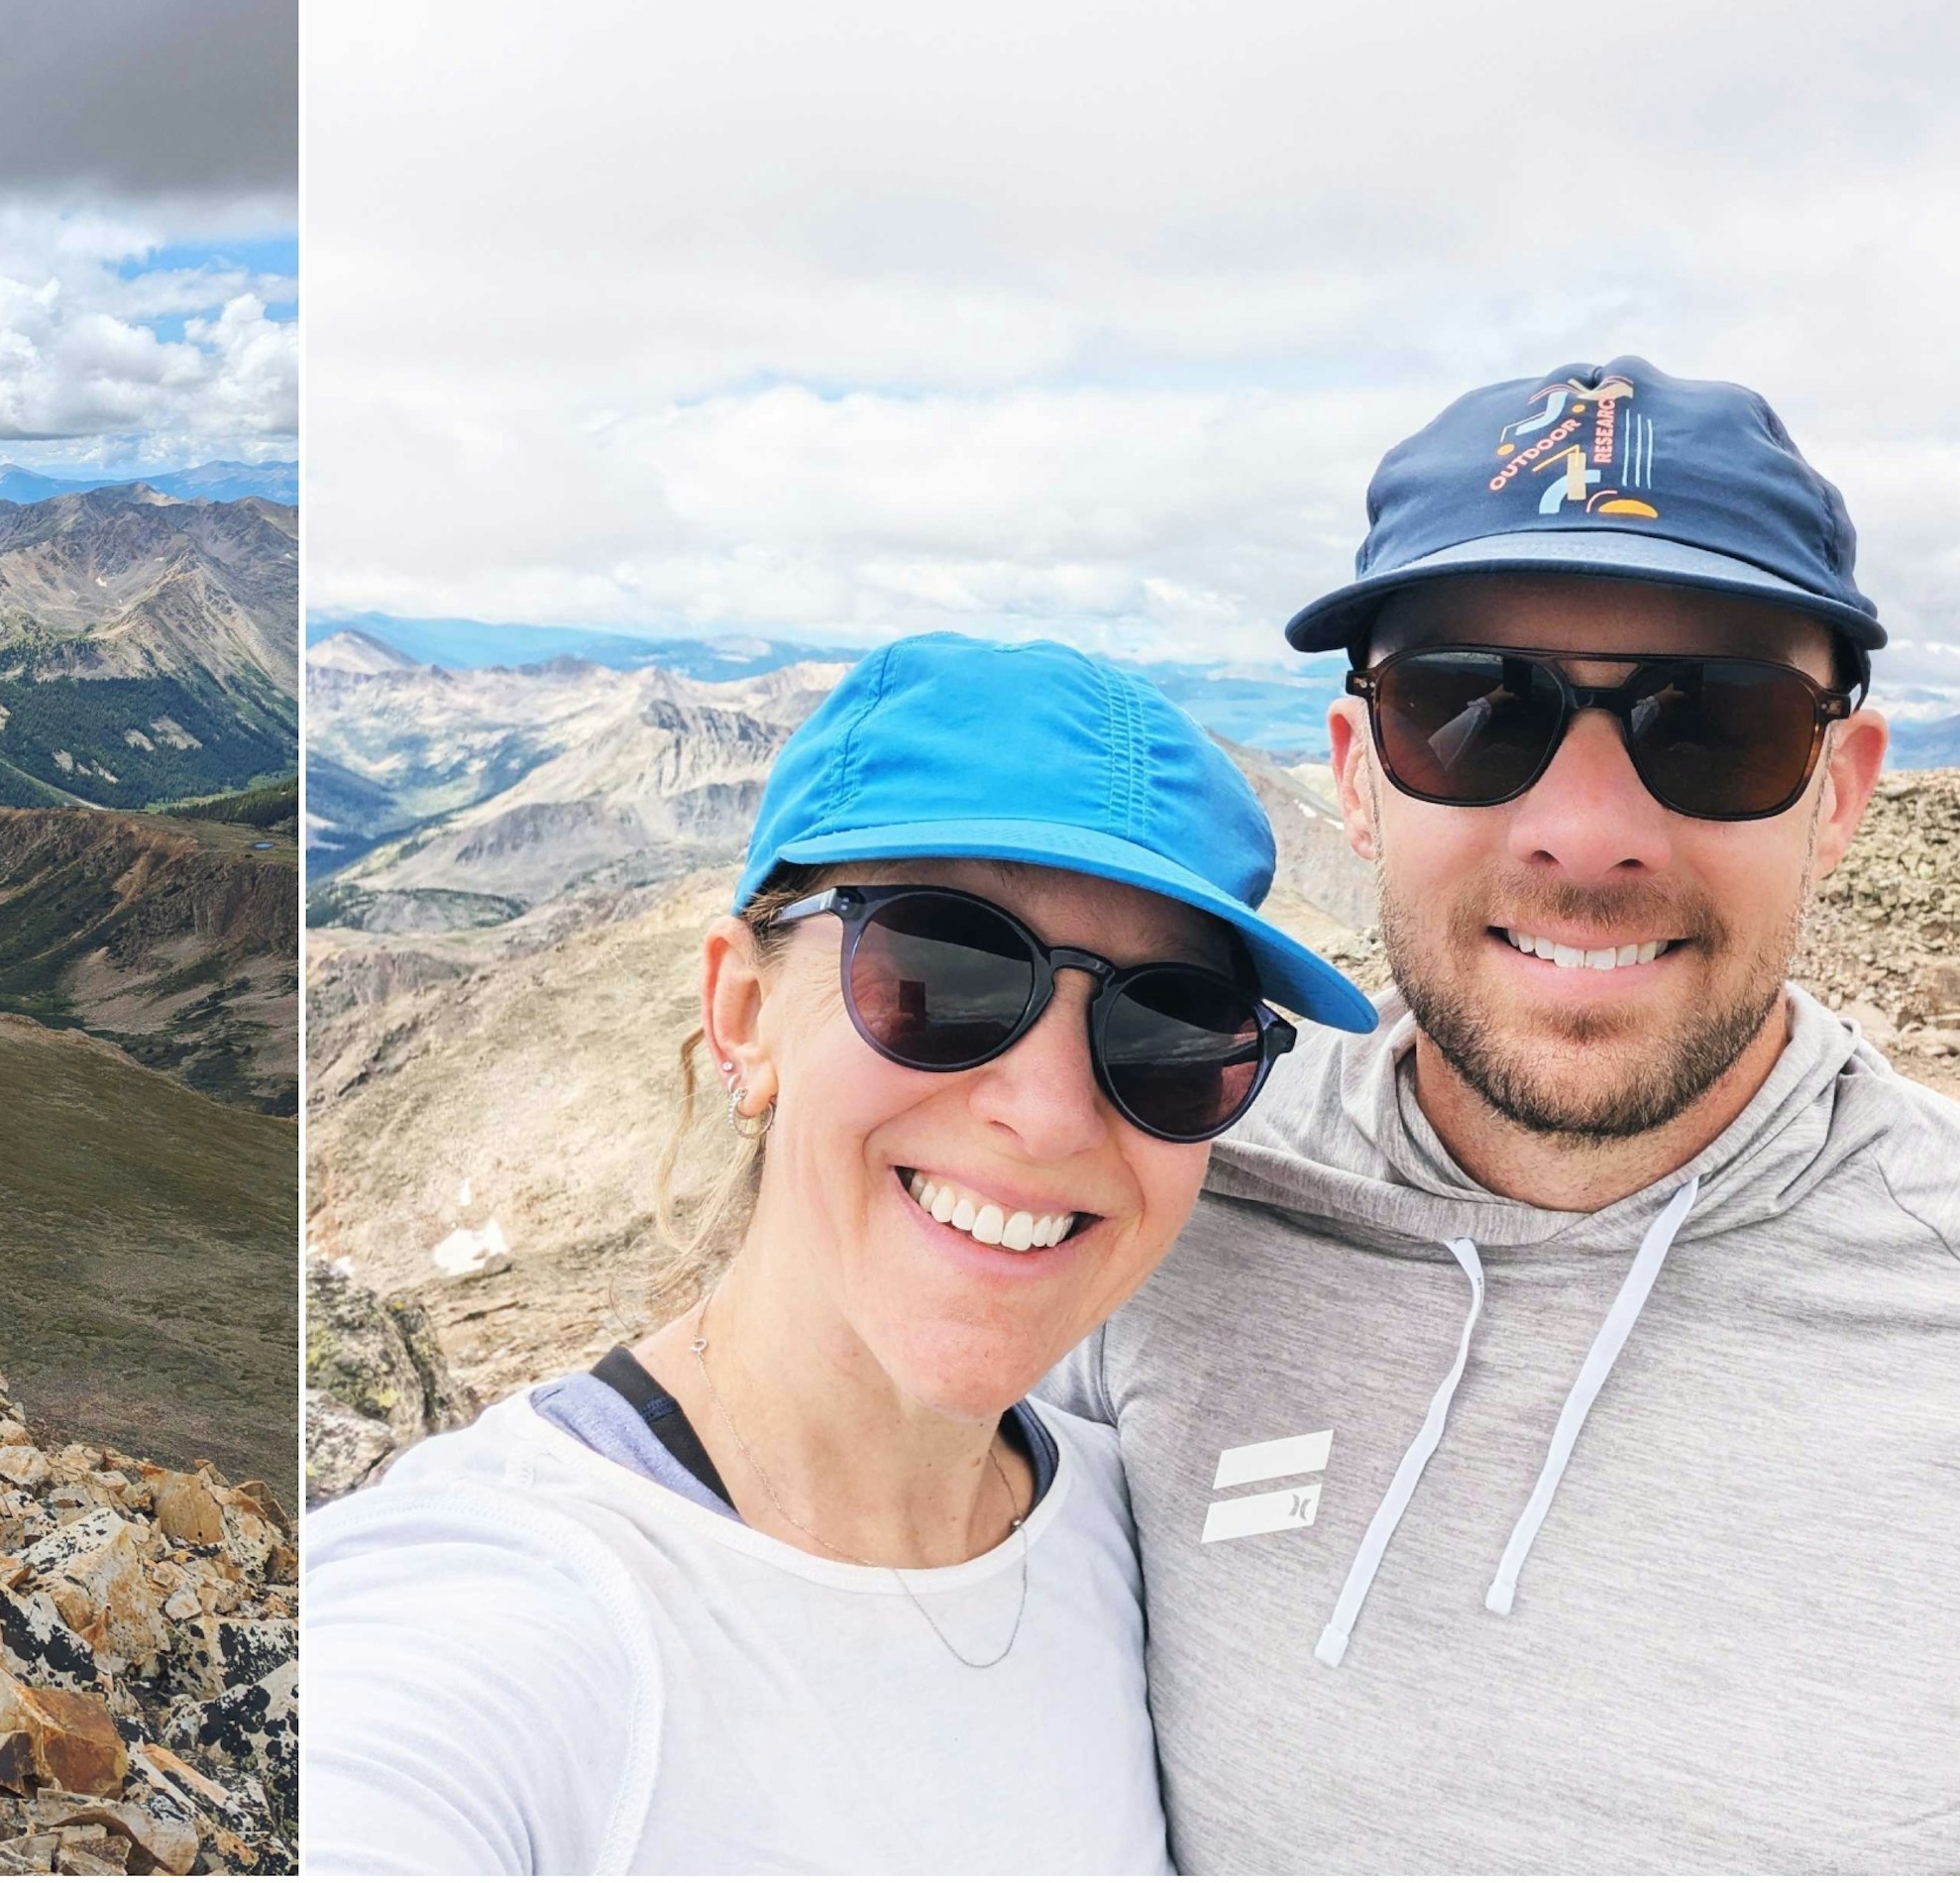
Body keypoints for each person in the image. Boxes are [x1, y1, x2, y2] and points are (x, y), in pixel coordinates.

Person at [1039, 357, 1960, 1871]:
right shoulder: (1146, 1211)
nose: (1587, 837)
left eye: (1715, 724)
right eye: (1469, 711)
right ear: (1358, 778)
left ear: (1841, 793)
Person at [302, 635, 1376, 1873]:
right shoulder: (500, 1609)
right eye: (945, 972)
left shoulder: (1128, 1537)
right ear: (743, 1014)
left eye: (1174, 1033)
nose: (1049, 1114)